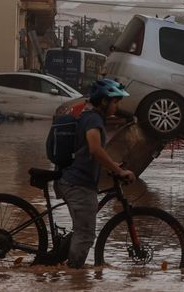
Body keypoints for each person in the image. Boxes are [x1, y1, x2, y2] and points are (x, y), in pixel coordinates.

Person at [55, 78, 136, 268]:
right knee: (86, 234)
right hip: (78, 184)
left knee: (81, 230)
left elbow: (89, 152)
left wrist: (114, 166)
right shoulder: (93, 119)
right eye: (115, 102)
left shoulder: (89, 116)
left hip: (75, 181)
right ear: (104, 101)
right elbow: (94, 149)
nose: (117, 106)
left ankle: (60, 263)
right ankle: (74, 277)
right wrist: (118, 171)